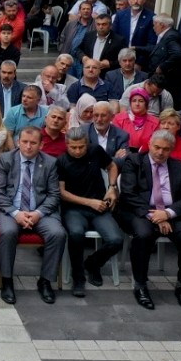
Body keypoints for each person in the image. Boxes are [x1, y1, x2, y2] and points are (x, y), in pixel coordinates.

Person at [117, 130, 181, 310]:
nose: (160, 152)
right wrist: (154, 216)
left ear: (171, 150)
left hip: (171, 213)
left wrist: (168, 214)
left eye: (165, 149)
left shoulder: (179, 167)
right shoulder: (134, 161)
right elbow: (128, 194)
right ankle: (140, 285)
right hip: (140, 211)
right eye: (157, 147)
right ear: (149, 145)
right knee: (143, 235)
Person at [0, 126, 66, 305]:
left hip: (40, 211)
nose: (28, 146)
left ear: (41, 145)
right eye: (24, 142)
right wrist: (16, 213)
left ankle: (45, 281)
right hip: (10, 211)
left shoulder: (50, 162)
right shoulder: (5, 159)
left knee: (58, 234)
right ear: (18, 142)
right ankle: (7, 281)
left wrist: (38, 214)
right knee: (8, 232)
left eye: (33, 143)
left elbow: (54, 195)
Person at [57, 127, 122, 297]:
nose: (77, 151)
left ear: (87, 144)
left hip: (99, 206)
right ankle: (78, 277)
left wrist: (112, 187)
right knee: (76, 234)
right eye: (73, 147)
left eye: (81, 147)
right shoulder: (61, 161)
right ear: (67, 145)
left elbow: (112, 165)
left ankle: (93, 263)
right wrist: (89, 202)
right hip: (74, 208)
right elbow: (62, 193)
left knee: (116, 240)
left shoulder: (95, 151)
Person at [138, 14, 181, 108]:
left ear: (162, 25)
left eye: (154, 24)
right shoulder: (168, 35)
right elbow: (156, 49)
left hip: (170, 80)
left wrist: (162, 67)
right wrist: (136, 48)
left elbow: (178, 54)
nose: (153, 27)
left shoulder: (171, 36)